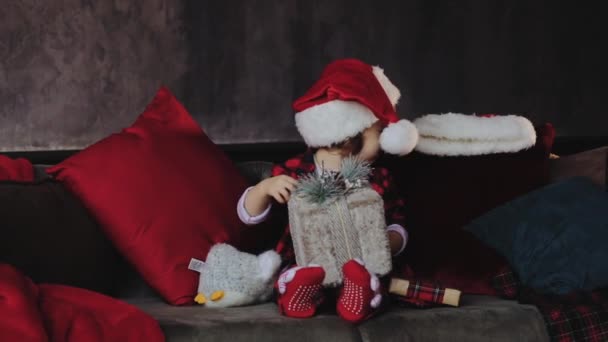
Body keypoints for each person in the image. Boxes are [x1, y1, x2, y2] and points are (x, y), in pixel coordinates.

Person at [236, 58, 418, 323]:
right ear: (349, 137)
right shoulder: (295, 171)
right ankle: (298, 291)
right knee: (300, 272)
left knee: (371, 277)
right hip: (308, 260)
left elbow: (398, 222)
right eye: (376, 133)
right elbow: (247, 215)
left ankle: (360, 295)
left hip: (362, 260)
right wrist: (264, 189)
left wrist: (388, 240)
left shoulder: (379, 177)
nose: (382, 143)